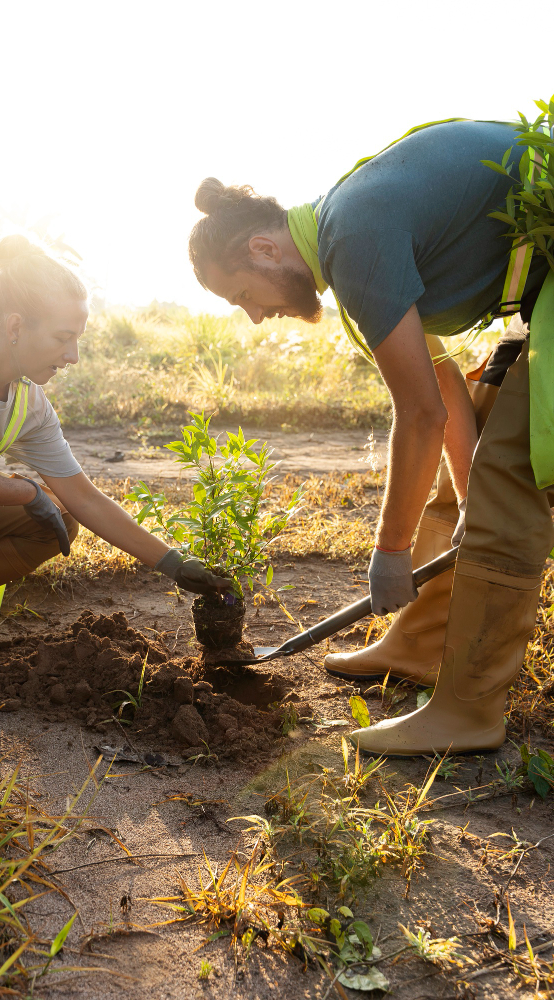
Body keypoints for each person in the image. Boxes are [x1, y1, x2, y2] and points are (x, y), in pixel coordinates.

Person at [187, 118, 554, 756]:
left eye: (243, 295)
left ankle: (469, 712)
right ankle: (417, 646)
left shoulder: (354, 235)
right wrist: (467, 500)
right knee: (467, 475)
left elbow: (417, 417)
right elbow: (442, 395)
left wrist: (391, 552)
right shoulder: (347, 228)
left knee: (508, 487)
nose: (254, 316)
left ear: (265, 250)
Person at [0, 234, 229, 643]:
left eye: (77, 339)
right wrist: (29, 493)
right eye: (62, 337)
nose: (74, 356)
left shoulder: (28, 402)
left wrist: (174, 564)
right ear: (15, 326)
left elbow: (83, 498)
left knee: (58, 519)